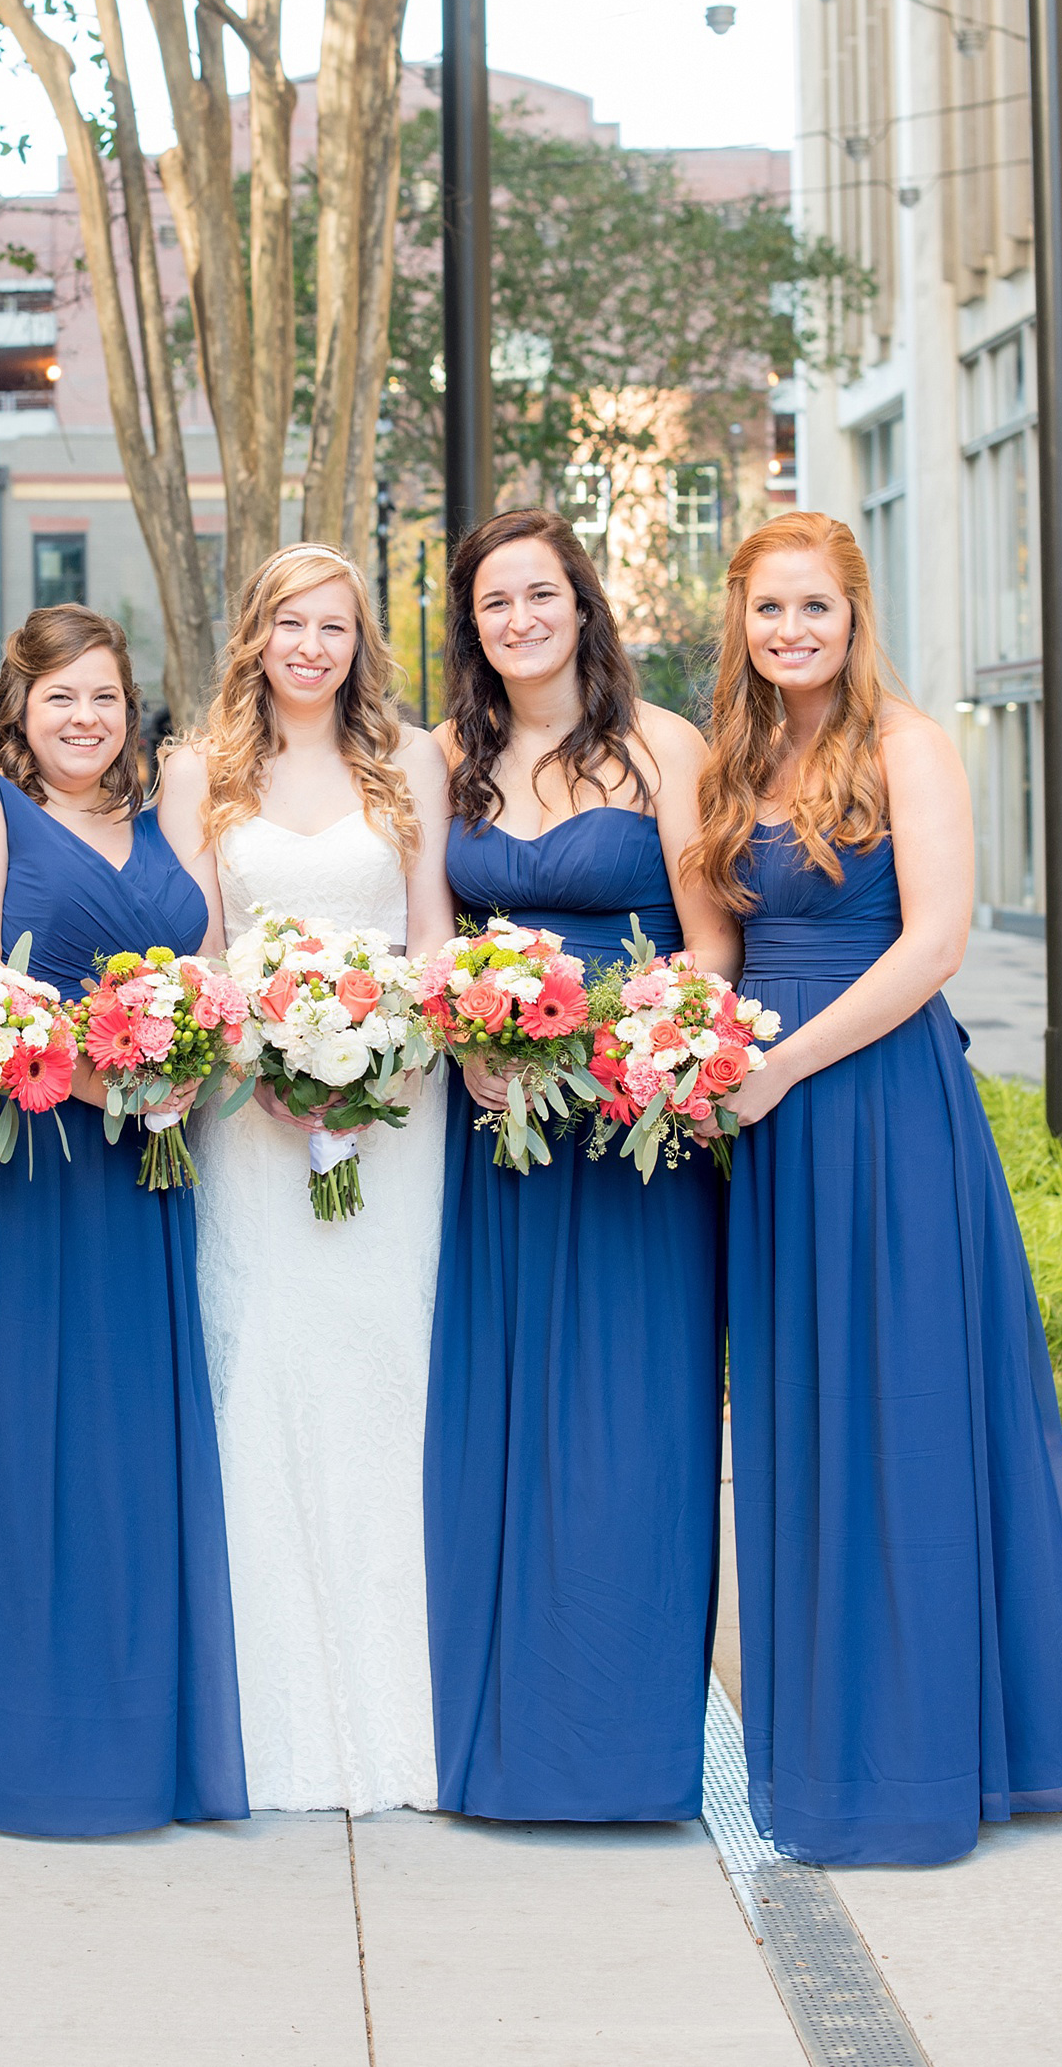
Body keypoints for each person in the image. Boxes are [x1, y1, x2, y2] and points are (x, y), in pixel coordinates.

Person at [695, 510, 1062, 1866]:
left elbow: (934, 944)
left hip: (872, 1098)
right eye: (769, 610)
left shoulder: (908, 745)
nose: (791, 630)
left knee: (909, 1404)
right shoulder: (740, 758)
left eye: (814, 606)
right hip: (769, 1111)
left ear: (855, 615)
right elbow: (723, 943)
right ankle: (825, 1728)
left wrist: (779, 1062)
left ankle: (928, 1744)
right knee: (804, 1415)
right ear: (742, 623)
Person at [0, 605, 247, 1835]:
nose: (85, 718)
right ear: (19, 702)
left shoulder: (160, 815)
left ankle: (127, 1733)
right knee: (11, 1441)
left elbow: (207, 971)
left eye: (105, 696)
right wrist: (113, 1074)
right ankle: (9, 1744)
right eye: (60, 697)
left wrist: (192, 1061)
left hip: (140, 1176)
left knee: (120, 1449)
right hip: (26, 1163)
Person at [423, 507, 734, 1821]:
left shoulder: (666, 746)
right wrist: (467, 1043)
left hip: (635, 1137)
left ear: (582, 604)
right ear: (473, 627)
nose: (519, 619)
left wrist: (646, 1054)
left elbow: (713, 947)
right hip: (496, 1130)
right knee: (496, 1424)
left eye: (539, 593)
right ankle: (494, 1746)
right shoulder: (449, 756)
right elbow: (432, 935)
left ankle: (619, 1750)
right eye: (494, 602)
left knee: (631, 1429)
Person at [158, 544, 454, 1814]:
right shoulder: (197, 771)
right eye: (290, 622)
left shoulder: (416, 761)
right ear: (255, 633)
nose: (312, 646)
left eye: (334, 626)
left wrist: (382, 1055)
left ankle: (407, 1713)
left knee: (388, 1365)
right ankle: (268, 1720)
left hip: (396, 1112)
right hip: (252, 1116)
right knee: (266, 1365)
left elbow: (431, 932)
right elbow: (199, 949)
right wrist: (262, 1058)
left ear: (359, 641)